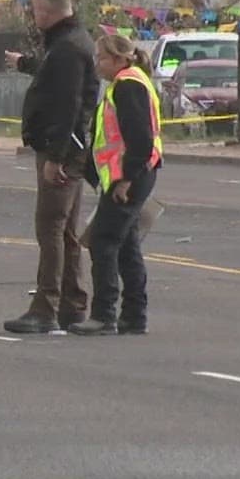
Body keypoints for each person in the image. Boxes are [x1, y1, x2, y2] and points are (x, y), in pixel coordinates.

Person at [2, 0, 100, 335]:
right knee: (67, 231)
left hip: (64, 150)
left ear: (49, 10)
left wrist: (55, 157)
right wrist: (26, 64)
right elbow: (52, 78)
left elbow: (67, 106)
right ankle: (72, 305)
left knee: (51, 229)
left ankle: (46, 307)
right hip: (67, 148)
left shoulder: (69, 49)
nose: (33, 16)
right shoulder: (67, 44)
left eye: (36, 10)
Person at [70, 35, 164, 336]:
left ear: (121, 59)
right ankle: (134, 315)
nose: (98, 64)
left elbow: (139, 138)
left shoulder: (128, 86)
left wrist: (126, 179)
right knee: (126, 245)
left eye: (102, 58)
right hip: (129, 174)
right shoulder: (127, 83)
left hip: (130, 175)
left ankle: (104, 314)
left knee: (104, 241)